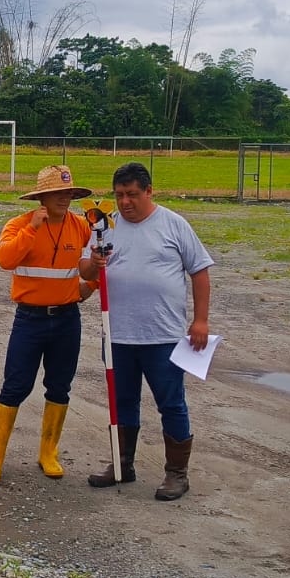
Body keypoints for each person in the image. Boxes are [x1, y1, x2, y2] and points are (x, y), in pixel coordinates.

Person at [84, 162, 213, 500]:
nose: (125, 202)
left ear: (149, 191)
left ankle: (177, 474)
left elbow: (199, 271)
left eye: (132, 194)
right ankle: (122, 463)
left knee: (171, 403)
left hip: (163, 336)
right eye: (119, 195)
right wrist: (94, 263)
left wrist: (200, 320)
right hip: (118, 335)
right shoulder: (104, 225)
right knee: (122, 402)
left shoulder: (173, 224)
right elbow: (84, 269)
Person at [0, 164, 98, 483]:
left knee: (60, 386)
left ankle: (48, 452)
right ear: (42, 198)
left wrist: (92, 285)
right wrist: (32, 229)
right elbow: (5, 259)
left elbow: (95, 264)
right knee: (16, 385)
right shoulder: (19, 225)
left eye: (68, 193)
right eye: (58, 193)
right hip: (29, 320)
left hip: (67, 319)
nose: (65, 198)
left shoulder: (81, 227)